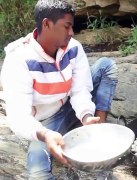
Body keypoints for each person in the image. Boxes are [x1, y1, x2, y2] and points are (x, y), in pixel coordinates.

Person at [1, 0, 118, 179]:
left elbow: (80, 90)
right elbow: (19, 117)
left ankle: (96, 127)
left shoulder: (73, 48)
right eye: (67, 26)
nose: (71, 33)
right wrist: (46, 135)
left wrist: (86, 115)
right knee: (38, 174)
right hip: (46, 121)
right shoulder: (19, 60)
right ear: (46, 24)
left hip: (70, 103)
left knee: (106, 66)